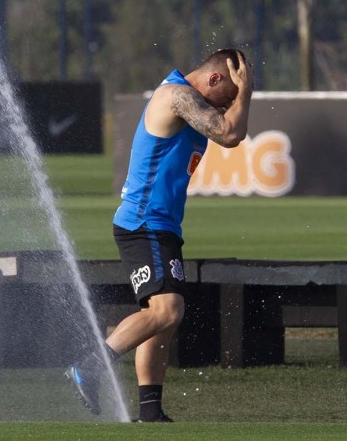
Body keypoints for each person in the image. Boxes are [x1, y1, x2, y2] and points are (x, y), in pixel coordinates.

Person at [67, 48, 253, 423]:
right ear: (215, 79)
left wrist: (241, 94)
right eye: (229, 95)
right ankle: (88, 367)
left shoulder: (189, 98)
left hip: (161, 225)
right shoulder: (176, 96)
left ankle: (150, 411)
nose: (230, 104)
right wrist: (246, 94)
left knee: (160, 315)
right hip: (144, 224)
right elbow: (231, 135)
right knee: (168, 309)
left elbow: (230, 130)